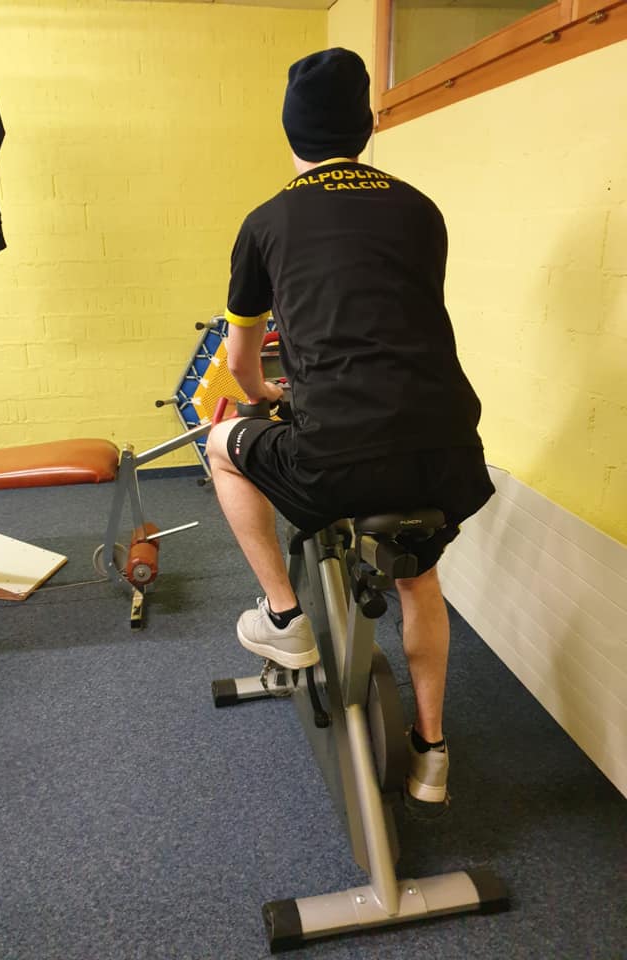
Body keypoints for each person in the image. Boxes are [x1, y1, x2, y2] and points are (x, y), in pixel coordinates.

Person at [206, 47, 494, 808]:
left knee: (221, 448)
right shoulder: (419, 208)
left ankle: (284, 616)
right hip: (446, 451)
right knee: (419, 577)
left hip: (337, 455)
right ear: (365, 128)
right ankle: (431, 754)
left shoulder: (266, 220)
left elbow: (240, 363)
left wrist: (268, 393)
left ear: (290, 130)